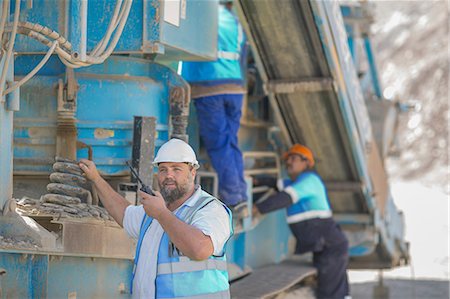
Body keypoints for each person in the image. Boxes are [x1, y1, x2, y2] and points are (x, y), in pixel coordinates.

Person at [79, 138, 233, 298]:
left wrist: (161, 214)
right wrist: (96, 179)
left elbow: (200, 249)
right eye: (163, 169)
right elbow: (124, 213)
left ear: (192, 172)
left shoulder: (210, 209)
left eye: (176, 169)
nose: (169, 176)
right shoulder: (154, 211)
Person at [253, 144, 350, 299]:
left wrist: (256, 208)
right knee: (336, 291)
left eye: (293, 158)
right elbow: (274, 183)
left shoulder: (310, 180)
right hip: (325, 247)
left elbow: (285, 197)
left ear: (306, 162)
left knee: (330, 294)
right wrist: (256, 181)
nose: (289, 162)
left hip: (331, 247)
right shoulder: (294, 183)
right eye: (287, 160)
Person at [181, 0, 248, 217]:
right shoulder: (235, 22)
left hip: (210, 88)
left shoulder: (201, 14)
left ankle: (234, 198)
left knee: (218, 145)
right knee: (230, 142)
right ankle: (240, 194)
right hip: (235, 88)